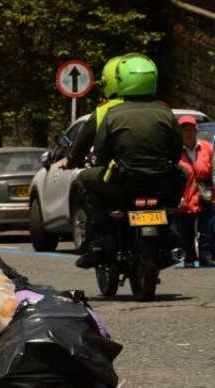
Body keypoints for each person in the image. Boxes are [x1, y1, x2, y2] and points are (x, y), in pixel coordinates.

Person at [74, 53, 184, 269]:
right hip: (159, 182)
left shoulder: (112, 114)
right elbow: (176, 151)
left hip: (123, 182)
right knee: (183, 174)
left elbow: (102, 154)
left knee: (82, 180)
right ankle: (169, 220)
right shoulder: (166, 112)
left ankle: (98, 234)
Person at [67, 56, 123, 169]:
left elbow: (79, 151)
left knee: (81, 180)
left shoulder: (102, 112)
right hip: (160, 180)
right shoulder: (163, 109)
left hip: (115, 178)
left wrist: (70, 162)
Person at [175, 115, 214, 267]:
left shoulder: (208, 148)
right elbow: (171, 176)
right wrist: (176, 196)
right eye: (184, 130)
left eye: (191, 129)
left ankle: (206, 256)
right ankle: (189, 257)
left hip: (206, 195)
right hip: (185, 196)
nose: (188, 133)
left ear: (196, 130)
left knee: (207, 229)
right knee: (186, 231)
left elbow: (214, 171)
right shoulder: (173, 151)